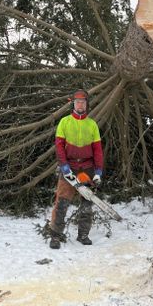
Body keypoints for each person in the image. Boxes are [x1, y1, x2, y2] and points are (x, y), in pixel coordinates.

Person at [49, 89, 103, 249]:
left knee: (87, 203)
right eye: (77, 102)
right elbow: (59, 147)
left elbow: (98, 150)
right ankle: (55, 236)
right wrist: (64, 167)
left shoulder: (92, 124)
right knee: (62, 203)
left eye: (83, 102)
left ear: (87, 105)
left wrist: (98, 172)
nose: (80, 104)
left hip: (86, 168)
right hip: (69, 166)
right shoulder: (64, 122)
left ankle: (83, 235)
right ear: (73, 104)